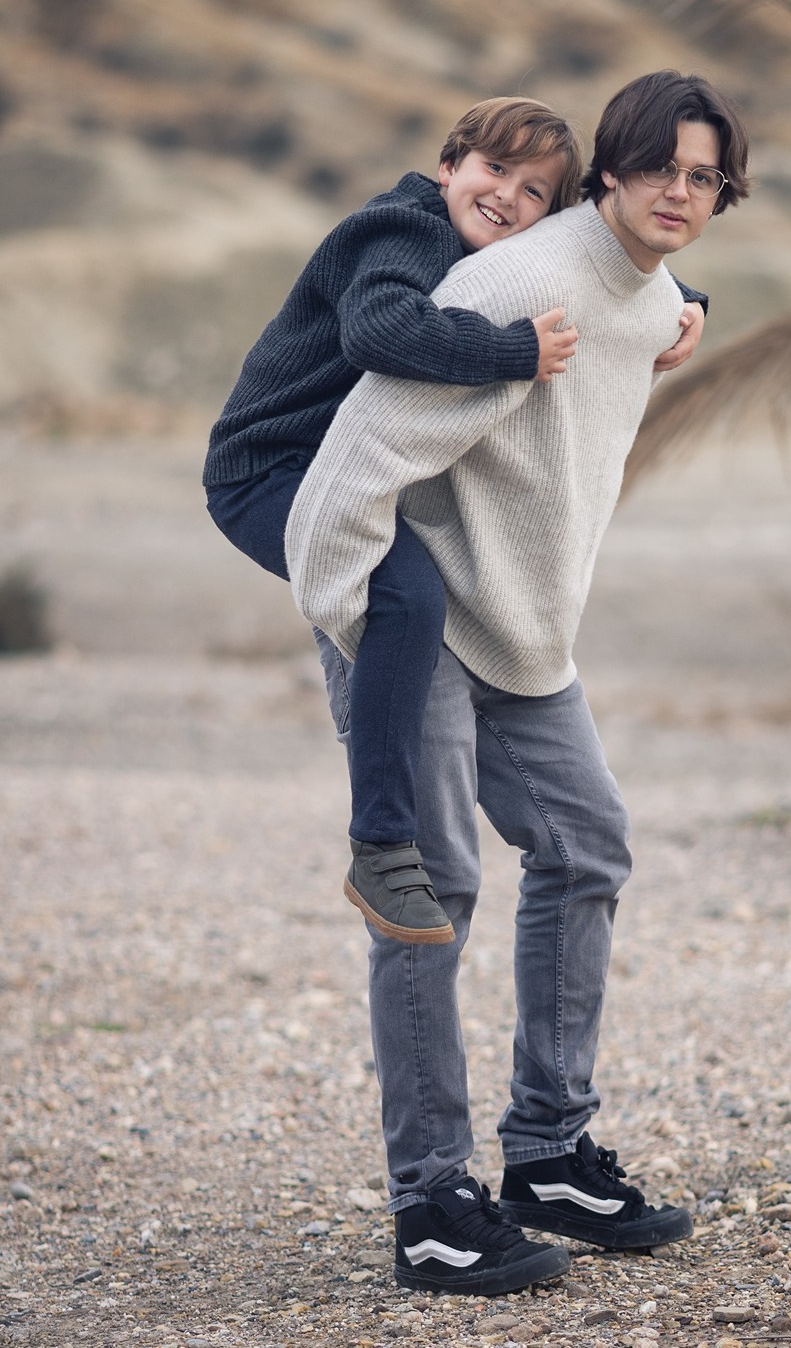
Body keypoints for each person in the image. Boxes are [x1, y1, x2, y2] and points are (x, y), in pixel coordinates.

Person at [286, 70, 750, 1293]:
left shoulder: (651, 305)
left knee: (587, 842)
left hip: (528, 641)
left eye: (705, 177)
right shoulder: (514, 288)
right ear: (613, 167)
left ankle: (545, 1155)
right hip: (420, 632)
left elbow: (647, 306)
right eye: (664, 166)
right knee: (434, 889)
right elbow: (345, 476)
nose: (682, 192)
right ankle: (433, 1204)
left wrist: (684, 305)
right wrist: (359, 620)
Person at [204, 97, 707, 947]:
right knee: (405, 597)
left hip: (349, 475)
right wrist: (516, 353)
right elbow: (375, 330)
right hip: (270, 467)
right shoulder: (400, 233)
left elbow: (605, 256)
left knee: (411, 593)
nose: (508, 197)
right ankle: (380, 844)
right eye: (492, 169)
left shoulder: (504, 252)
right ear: (447, 167)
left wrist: (687, 301)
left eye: (535, 192)